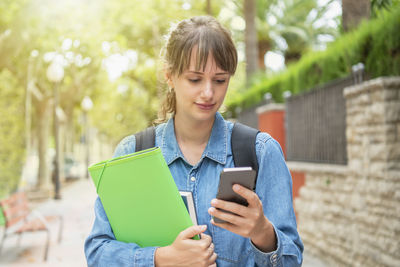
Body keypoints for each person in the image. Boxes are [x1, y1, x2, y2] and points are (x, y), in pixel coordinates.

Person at [85, 16, 303, 267]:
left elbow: (292, 260)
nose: (208, 93)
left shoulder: (261, 152)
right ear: (170, 76)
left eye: (220, 80)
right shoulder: (131, 153)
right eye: (195, 79)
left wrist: (263, 232)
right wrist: (160, 258)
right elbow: (98, 252)